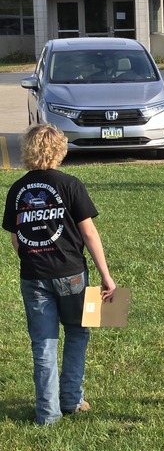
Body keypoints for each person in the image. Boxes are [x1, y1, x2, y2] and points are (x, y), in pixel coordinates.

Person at [2, 123, 116, 425]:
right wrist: (106, 274)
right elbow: (89, 233)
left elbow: (15, 238)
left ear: (28, 151)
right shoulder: (70, 184)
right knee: (78, 332)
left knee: (44, 343)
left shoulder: (17, 190)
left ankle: (47, 413)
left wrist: (33, 260)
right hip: (73, 275)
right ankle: (71, 400)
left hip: (33, 275)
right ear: (59, 150)